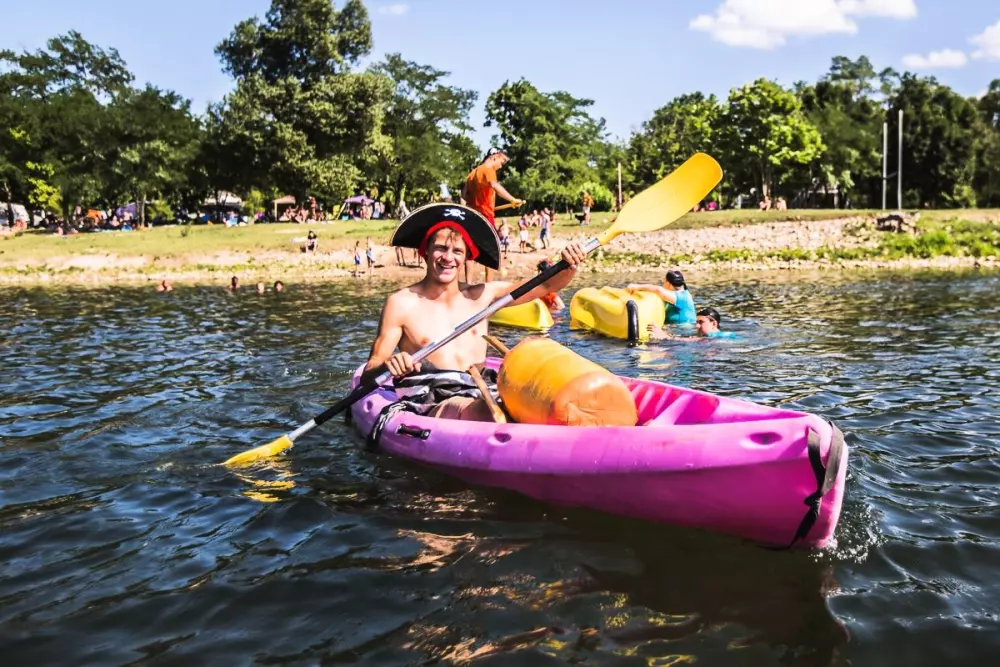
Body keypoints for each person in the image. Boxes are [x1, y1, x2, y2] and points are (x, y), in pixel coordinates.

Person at [361, 203, 586, 422]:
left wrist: (569, 266)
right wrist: (389, 364)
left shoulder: (484, 296)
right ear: (425, 251)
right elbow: (370, 372)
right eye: (440, 247)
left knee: (547, 400)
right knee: (487, 412)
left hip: (481, 388)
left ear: (466, 257)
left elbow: (546, 286)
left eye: (457, 251)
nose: (448, 258)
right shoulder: (401, 303)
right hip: (432, 397)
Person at [461, 147, 522, 282]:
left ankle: (468, 284)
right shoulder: (488, 170)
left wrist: (475, 203)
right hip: (485, 215)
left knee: (470, 251)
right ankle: (489, 284)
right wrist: (512, 199)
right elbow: (494, 185)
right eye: (501, 161)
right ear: (495, 157)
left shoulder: (472, 173)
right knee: (492, 250)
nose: (501, 166)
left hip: (471, 215)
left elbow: (464, 195)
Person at [626, 269, 696, 325]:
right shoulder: (675, 296)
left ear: (668, 284)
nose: (663, 284)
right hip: (677, 328)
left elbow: (658, 290)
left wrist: (637, 287)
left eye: (664, 281)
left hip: (685, 329)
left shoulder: (683, 297)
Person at [648, 307, 737, 341]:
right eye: (696, 322)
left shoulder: (715, 337)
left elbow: (697, 341)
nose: (697, 326)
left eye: (701, 322)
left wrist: (666, 337)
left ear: (714, 324)